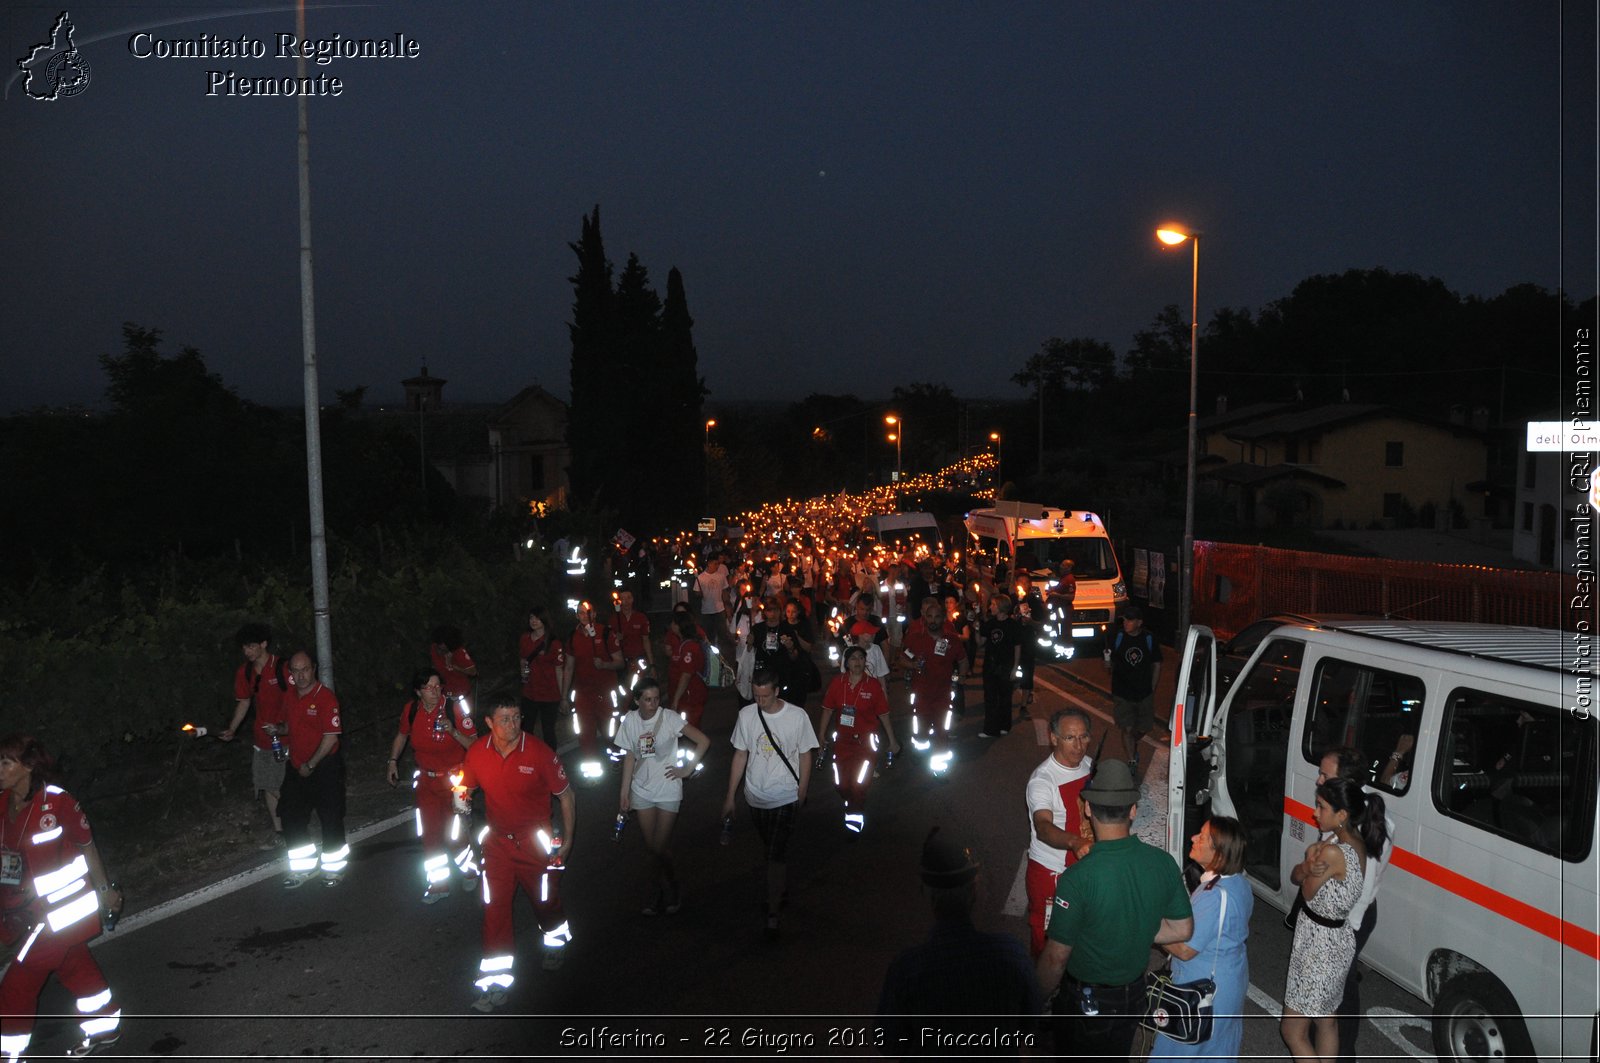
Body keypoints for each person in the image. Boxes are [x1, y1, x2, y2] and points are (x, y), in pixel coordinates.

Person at [1036, 759, 1193, 1060]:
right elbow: (1183, 928)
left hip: (1086, 1001)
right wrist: (1138, 923)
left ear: (1087, 808)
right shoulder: (1162, 863)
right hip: (1133, 995)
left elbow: (1056, 958)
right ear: (1133, 810)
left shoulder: (1077, 878)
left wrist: (1033, 1000)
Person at [0, 735, 123, 1060]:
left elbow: (88, 845)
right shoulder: (2, 805)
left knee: (17, 984)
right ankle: (105, 1027)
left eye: (5, 762)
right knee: (74, 966)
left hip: (62, 912)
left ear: (28, 766)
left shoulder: (58, 802)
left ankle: (8, 1053)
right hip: (25, 911)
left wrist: (105, 890)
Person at [456, 699, 575, 1012]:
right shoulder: (477, 753)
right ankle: (494, 983)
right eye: (504, 718)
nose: (512, 724)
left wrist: (568, 841)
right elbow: (463, 787)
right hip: (497, 847)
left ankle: (555, 937)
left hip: (535, 845)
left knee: (545, 901)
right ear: (489, 723)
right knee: (494, 910)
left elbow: (566, 795)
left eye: (516, 717)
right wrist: (461, 805)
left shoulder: (539, 753)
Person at [877, 827, 1041, 1051]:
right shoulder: (1012, 954)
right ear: (974, 889)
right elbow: (1030, 1023)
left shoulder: (907, 969)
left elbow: (888, 1043)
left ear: (925, 892)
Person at [1281, 776, 1387, 1062]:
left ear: (1341, 815)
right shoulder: (1356, 843)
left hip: (1319, 947)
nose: (1315, 813)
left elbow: (1305, 889)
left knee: (1292, 1031)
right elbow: (1298, 877)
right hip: (1335, 941)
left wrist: (1307, 860)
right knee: (1326, 1022)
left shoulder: (1331, 850)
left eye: (1321, 807)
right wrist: (1307, 865)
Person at [721, 669, 818, 939]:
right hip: (755, 794)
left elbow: (805, 754)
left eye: (764, 696)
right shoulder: (746, 716)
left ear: (776, 691)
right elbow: (741, 754)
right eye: (755, 696)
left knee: (774, 854)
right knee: (771, 848)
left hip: (786, 794)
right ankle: (779, 887)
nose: (759, 701)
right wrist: (731, 796)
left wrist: (802, 791)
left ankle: (773, 912)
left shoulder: (797, 716)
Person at [1150, 816, 1254, 1062]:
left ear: (1220, 854)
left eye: (1203, 837)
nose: (1193, 838)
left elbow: (1185, 950)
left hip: (1201, 990)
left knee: (1182, 1048)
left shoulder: (1214, 897)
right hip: (1227, 983)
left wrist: (1148, 927)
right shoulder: (1239, 883)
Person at [615, 677, 710, 915]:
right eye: (647, 699)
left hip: (668, 788)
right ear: (637, 700)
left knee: (658, 846)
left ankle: (662, 889)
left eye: (656, 698)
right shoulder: (630, 722)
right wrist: (624, 792)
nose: (653, 704)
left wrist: (687, 769)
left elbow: (703, 741)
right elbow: (629, 757)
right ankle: (663, 887)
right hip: (641, 789)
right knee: (654, 847)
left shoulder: (669, 718)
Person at [386, 667, 479, 903]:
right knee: (430, 834)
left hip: (455, 781)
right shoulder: (411, 710)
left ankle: (470, 869)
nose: (435, 691)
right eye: (429, 687)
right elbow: (402, 735)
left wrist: (454, 731)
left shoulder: (454, 708)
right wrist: (392, 761)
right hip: (427, 781)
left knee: (454, 834)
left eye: (438, 686)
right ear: (418, 692)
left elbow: (475, 745)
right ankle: (438, 884)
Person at [1022, 709, 1094, 958]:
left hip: (1084, 866)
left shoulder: (1088, 765)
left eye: (1084, 737)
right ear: (1054, 738)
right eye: (1070, 738)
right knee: (1048, 941)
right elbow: (1043, 827)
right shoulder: (1043, 780)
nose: (1079, 745)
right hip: (1051, 873)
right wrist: (1075, 841)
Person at [277, 651, 348, 887]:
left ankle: (334, 868)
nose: (301, 675)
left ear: (314, 669)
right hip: (297, 767)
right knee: (290, 816)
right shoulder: (290, 697)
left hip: (324, 766)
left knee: (331, 817)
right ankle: (303, 867)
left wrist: (311, 764)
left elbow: (331, 737)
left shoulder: (326, 698)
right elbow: (292, 725)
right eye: (296, 670)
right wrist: (278, 729)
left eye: (305, 669)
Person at [219, 621, 289, 850]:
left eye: (250, 646)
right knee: (265, 784)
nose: (246, 651)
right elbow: (244, 701)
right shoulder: (245, 672)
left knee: (279, 783)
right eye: (244, 648)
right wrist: (232, 728)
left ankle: (296, 818)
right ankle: (280, 831)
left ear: (263, 644)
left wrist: (285, 725)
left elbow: (298, 698)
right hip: (262, 739)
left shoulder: (282, 667)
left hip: (287, 737)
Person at [818, 646, 900, 833]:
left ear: (865, 662)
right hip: (842, 742)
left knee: (859, 782)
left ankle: (854, 818)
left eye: (861, 658)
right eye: (853, 658)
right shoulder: (838, 683)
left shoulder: (872, 686)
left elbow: (884, 714)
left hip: (866, 743)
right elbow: (828, 709)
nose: (857, 662)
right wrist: (821, 735)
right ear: (846, 663)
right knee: (841, 783)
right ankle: (851, 799)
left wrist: (892, 740)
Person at [563, 601, 623, 780]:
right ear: (576, 615)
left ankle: (616, 758)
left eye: (587, 613)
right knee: (585, 733)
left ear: (594, 614)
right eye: (580, 613)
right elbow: (569, 668)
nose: (584, 616)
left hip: (605, 693)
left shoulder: (605, 633)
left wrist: (604, 664)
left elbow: (620, 662)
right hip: (583, 694)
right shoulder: (573, 637)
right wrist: (564, 697)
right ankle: (591, 773)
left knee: (610, 731)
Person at [900, 596, 967, 754]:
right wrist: (912, 665)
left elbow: (963, 661)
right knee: (921, 730)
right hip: (921, 694)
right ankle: (919, 751)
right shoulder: (915, 639)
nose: (933, 620)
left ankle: (939, 766)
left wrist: (960, 679)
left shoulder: (952, 640)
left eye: (937, 617)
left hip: (943, 695)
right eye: (929, 616)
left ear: (943, 618)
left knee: (942, 730)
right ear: (924, 617)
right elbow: (902, 659)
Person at [1105, 606, 1162, 770]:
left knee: (1144, 727)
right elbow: (1110, 663)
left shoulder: (1149, 639)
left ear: (1139, 622)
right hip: (1122, 691)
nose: (1126, 622)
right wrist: (1107, 662)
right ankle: (1131, 760)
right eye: (1124, 619)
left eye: (1130, 620)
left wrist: (1152, 687)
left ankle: (1132, 742)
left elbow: (1157, 664)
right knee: (1127, 728)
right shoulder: (1118, 637)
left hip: (1144, 692)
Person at [518, 606, 567, 750]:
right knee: (526, 728)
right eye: (531, 618)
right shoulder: (525, 638)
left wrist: (563, 697)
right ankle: (527, 758)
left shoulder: (553, 642)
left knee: (548, 730)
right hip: (530, 692)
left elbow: (559, 669)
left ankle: (551, 762)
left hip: (549, 694)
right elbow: (522, 659)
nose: (533, 621)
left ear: (544, 620)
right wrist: (523, 672)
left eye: (537, 618)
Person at [978, 594, 1022, 737]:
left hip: (1006, 666)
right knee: (990, 697)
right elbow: (980, 642)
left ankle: (1005, 725)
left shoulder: (1013, 625)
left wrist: (1015, 667)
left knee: (1005, 697)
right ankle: (990, 729)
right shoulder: (990, 623)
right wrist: (977, 629)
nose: (991, 607)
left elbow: (1017, 646)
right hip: (990, 665)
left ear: (1002, 607)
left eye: (994, 605)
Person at [666, 612, 710, 730]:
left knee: (689, 729)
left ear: (679, 626)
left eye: (674, 623)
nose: (671, 625)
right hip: (685, 697)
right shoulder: (684, 643)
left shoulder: (689, 647)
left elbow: (686, 675)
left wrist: (676, 700)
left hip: (690, 698)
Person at [1012, 571, 1045, 716]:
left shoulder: (1034, 602)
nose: (1023, 585)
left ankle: (1024, 705)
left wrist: (1031, 622)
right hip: (1012, 642)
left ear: (1030, 585)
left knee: (1027, 672)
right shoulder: (1011, 600)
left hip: (1028, 642)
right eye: (1020, 582)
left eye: (1026, 582)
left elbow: (1041, 624)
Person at [608, 589, 655, 681]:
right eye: (623, 598)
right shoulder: (613, 619)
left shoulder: (641, 617)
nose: (626, 602)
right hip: (621, 661)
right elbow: (609, 643)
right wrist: (616, 638)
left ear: (633, 599)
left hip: (638, 659)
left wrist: (651, 664)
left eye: (629, 598)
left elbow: (646, 640)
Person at [694, 550, 733, 655]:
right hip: (707, 611)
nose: (717, 566)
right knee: (708, 635)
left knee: (722, 634)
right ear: (709, 563)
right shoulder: (701, 578)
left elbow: (724, 592)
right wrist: (701, 593)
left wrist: (727, 609)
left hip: (719, 610)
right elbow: (697, 593)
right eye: (715, 564)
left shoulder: (721, 576)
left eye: (718, 564)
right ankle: (709, 655)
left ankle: (722, 655)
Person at [429, 624, 479, 704]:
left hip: (461, 695)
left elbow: (473, 672)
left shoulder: (459, 652)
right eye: (438, 645)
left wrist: (457, 668)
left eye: (442, 646)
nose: (439, 649)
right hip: (442, 695)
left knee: (464, 716)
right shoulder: (434, 648)